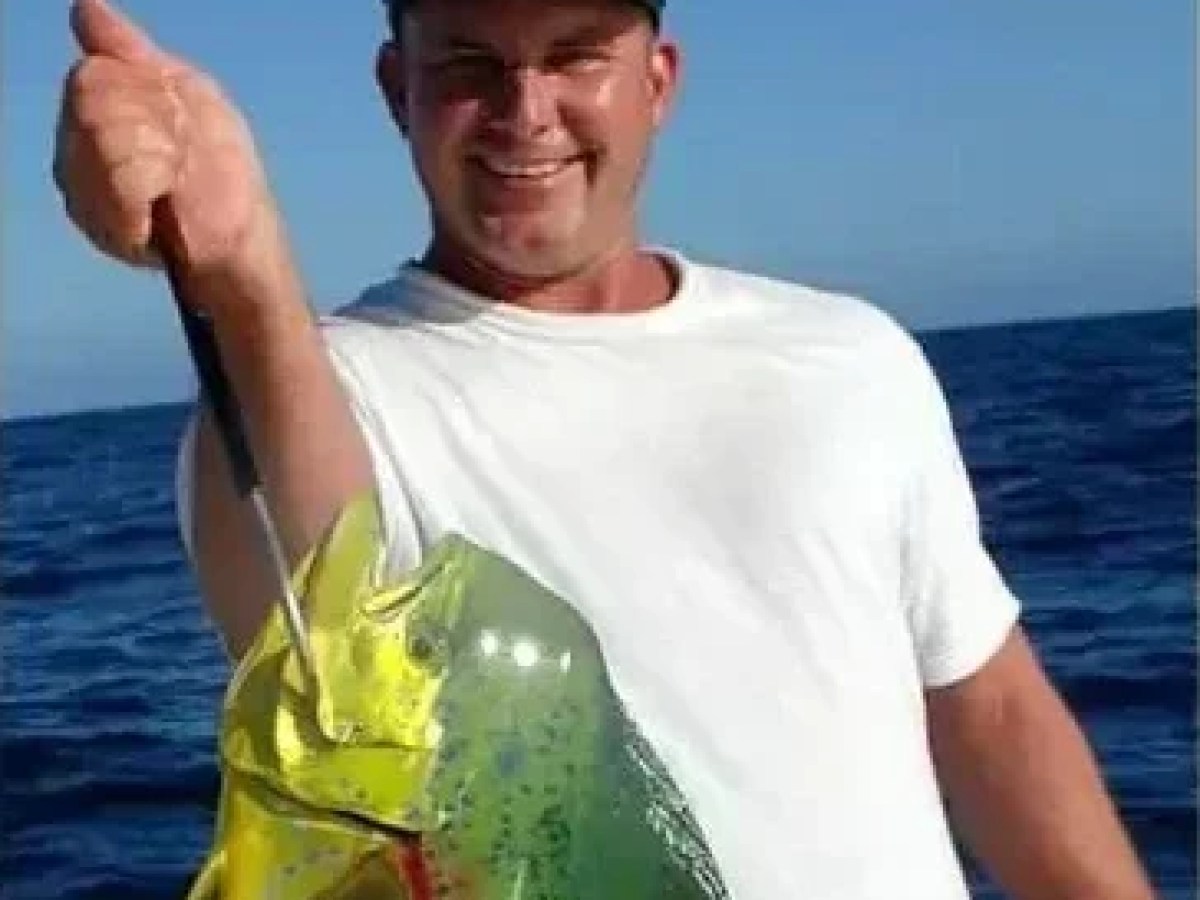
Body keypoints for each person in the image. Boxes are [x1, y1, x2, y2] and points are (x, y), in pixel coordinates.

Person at [53, 0, 1160, 896]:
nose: (524, 110)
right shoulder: (331, 386)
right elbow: (307, 599)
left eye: (576, 55)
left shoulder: (849, 356)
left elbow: (992, 709)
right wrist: (243, 265)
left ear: (658, 81)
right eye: (473, 64)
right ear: (400, 89)